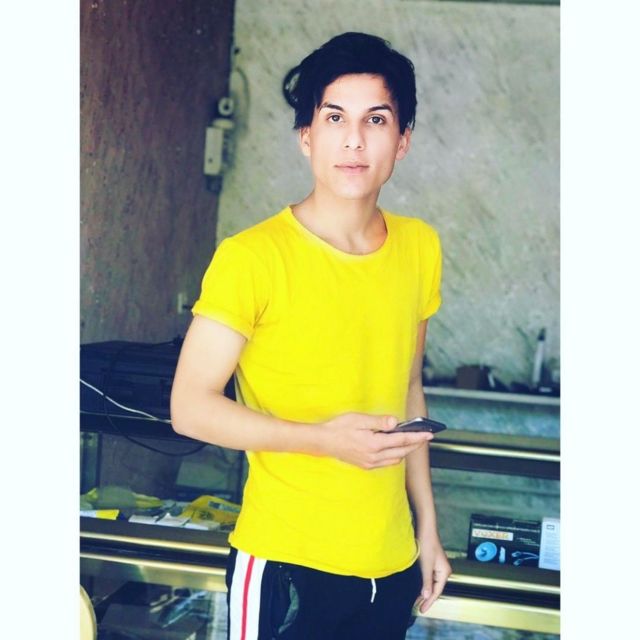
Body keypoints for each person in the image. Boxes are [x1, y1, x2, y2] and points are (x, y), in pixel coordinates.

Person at [171, 31, 451, 640]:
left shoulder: (419, 247)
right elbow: (189, 408)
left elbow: (408, 391)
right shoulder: (252, 257)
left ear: (402, 140)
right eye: (334, 117)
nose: (354, 140)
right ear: (306, 136)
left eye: (376, 119)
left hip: (391, 565)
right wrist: (324, 441)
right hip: (285, 565)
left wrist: (427, 528)